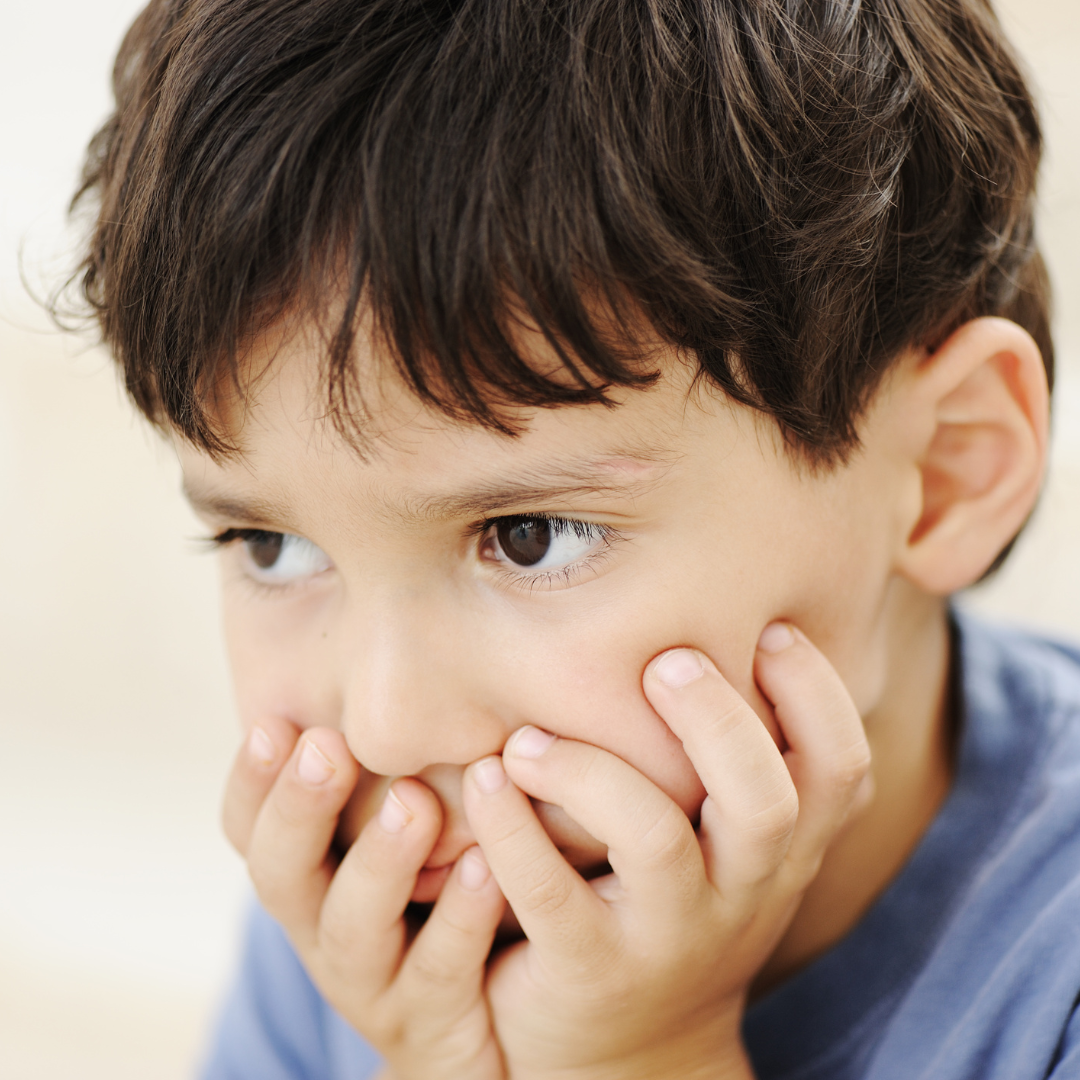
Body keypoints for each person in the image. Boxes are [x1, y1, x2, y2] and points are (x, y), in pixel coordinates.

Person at [58, 0, 1080, 1076]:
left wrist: (643, 1060)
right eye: (272, 548)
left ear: (943, 474)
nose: (387, 728)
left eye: (532, 535)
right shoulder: (376, 921)